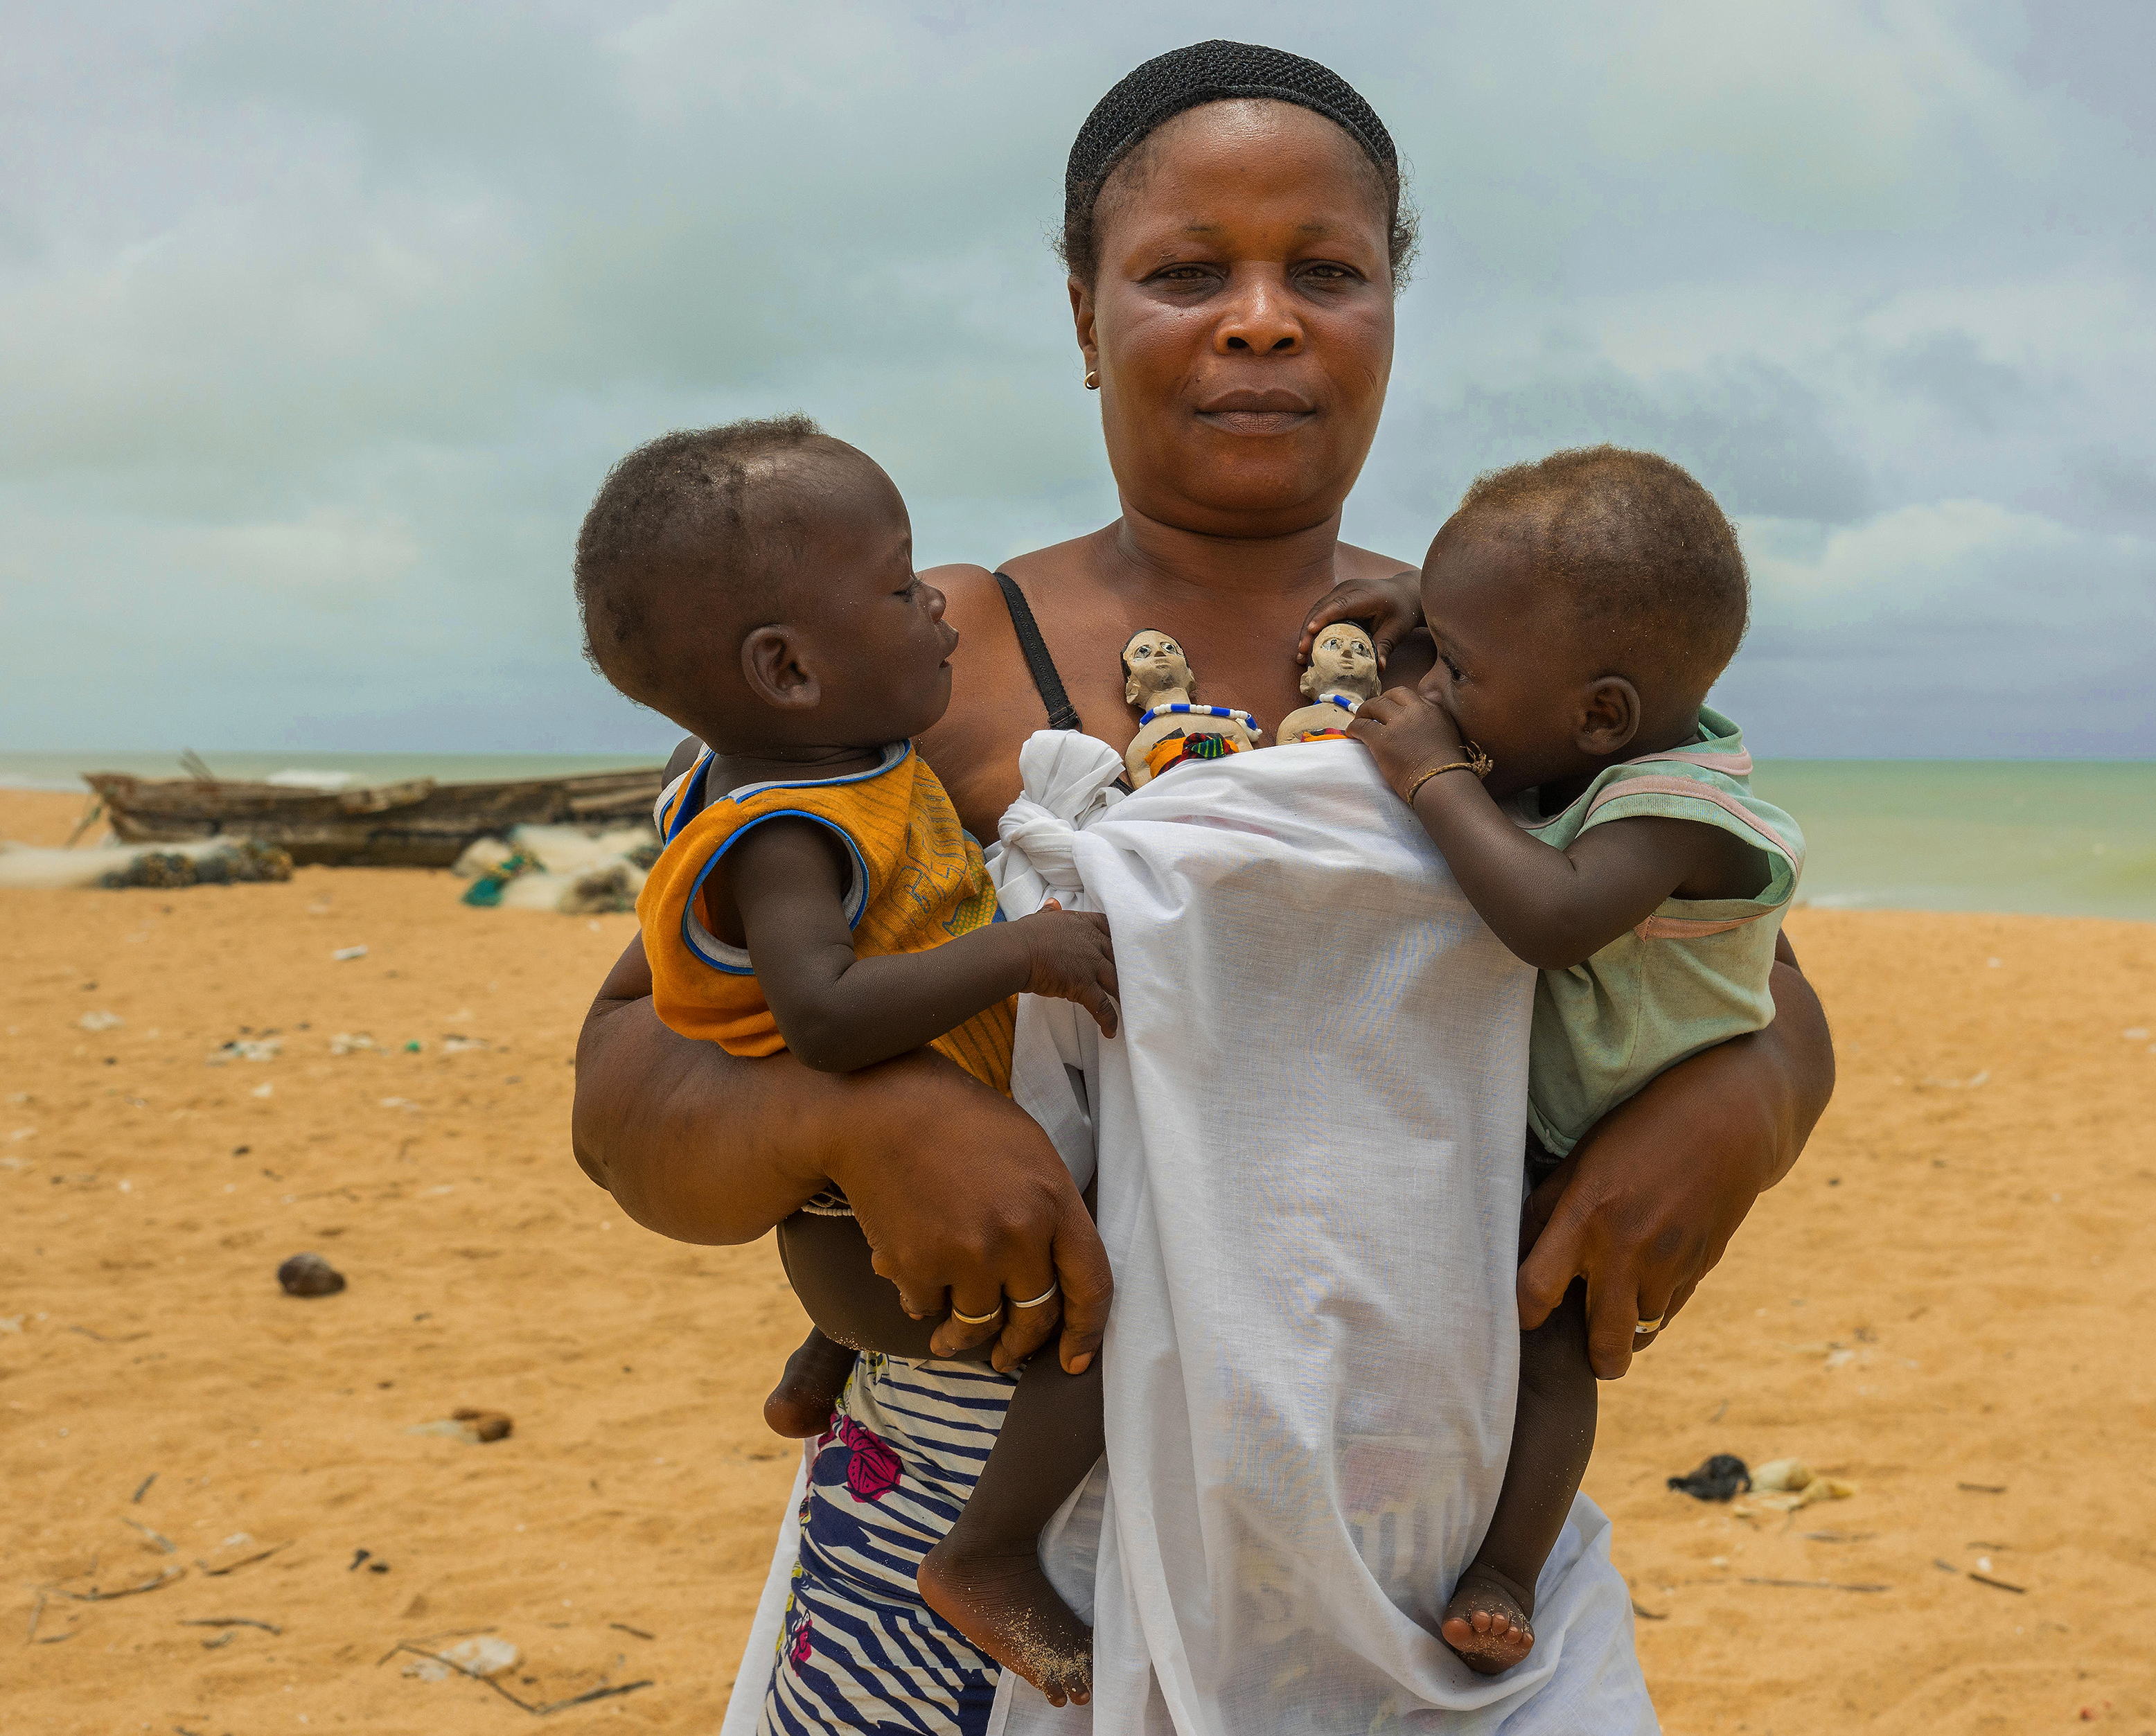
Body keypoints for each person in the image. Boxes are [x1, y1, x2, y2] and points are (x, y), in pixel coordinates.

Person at [570, 39, 1835, 1735]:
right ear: (1083, 315)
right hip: (980, 1530)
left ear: (1389, 306)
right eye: (1182, 273)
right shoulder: (907, 661)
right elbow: (629, 1082)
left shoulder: (1523, 645)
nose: (1260, 318)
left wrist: (1741, 1108)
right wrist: (855, 1125)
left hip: (1414, 1543)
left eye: (1326, 269)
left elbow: (1731, 959)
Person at [571, 416, 1124, 1707]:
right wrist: (1022, 955)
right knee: (1117, 1320)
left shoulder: (858, 765)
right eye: (900, 585)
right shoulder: (784, 828)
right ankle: (983, 1554)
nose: (937, 602)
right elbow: (817, 1018)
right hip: (863, 1227)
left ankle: (828, 1352)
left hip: (868, 1240)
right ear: (789, 671)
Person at [1344, 445, 1803, 1672]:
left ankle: (1505, 1565)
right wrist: (1422, 607)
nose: (1432, 683)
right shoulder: (1589, 725)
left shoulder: (1677, 809)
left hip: (1602, 1139)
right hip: (1541, 1110)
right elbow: (1523, 654)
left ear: (1600, 711)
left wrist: (1434, 775)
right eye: (1433, 646)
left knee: (1553, 1346)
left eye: (1457, 666)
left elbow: (1546, 918)